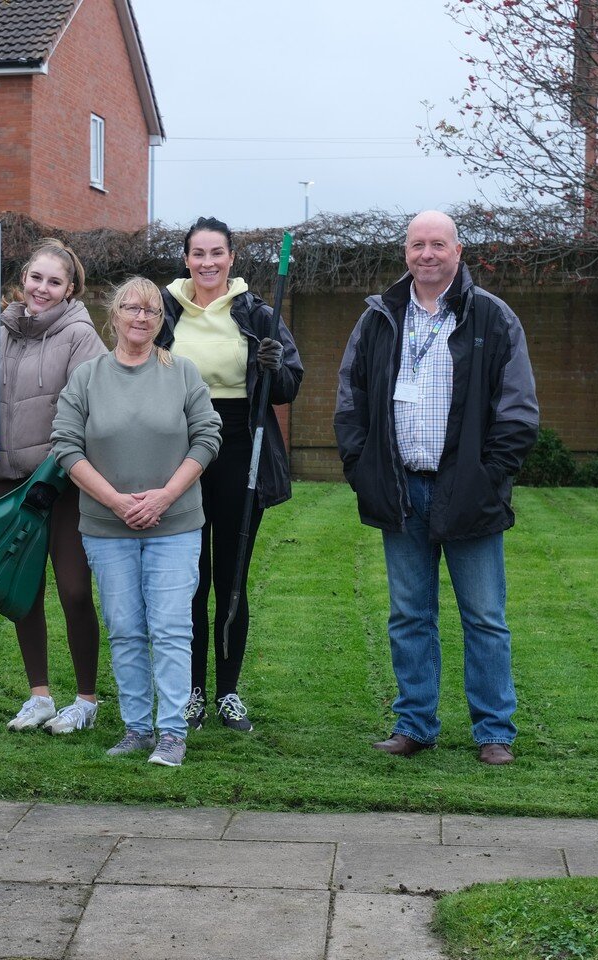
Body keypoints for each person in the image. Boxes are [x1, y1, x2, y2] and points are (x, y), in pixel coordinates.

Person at [334, 210, 539, 766]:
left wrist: (489, 475)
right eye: (417, 244)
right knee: (408, 616)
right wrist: (362, 467)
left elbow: (518, 413)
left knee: (484, 617)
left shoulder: (493, 318)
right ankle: (415, 725)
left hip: (468, 492)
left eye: (438, 245)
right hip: (401, 491)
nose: (427, 254)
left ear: (458, 251)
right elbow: (350, 400)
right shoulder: (378, 318)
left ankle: (494, 730)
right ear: (405, 252)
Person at [51, 277, 221, 767]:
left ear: (161, 320)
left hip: (176, 523)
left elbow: (207, 437)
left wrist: (165, 497)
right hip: (107, 527)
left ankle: (171, 732)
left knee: (169, 627)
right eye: (132, 308)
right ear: (114, 315)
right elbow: (65, 445)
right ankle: (136, 728)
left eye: (151, 310)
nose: (141, 318)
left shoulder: (182, 373)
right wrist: (117, 502)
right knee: (125, 627)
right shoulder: (87, 377)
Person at [160, 217, 304, 733]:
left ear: (231, 258)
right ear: (186, 258)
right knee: (189, 581)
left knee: (232, 578)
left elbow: (289, 384)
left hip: (242, 447)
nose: (207, 263)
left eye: (216, 253)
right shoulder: (164, 311)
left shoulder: (258, 314)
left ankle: (228, 692)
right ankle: (193, 692)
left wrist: (272, 364)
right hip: (181, 451)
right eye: (198, 253)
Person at [0, 238, 107, 735]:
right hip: (5, 479)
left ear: (71, 289)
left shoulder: (80, 336)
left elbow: (87, 410)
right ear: (21, 279)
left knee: (72, 589)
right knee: (22, 591)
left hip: (60, 483)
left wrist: (56, 472)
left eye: (54, 281)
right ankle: (39, 696)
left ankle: (86, 699)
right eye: (36, 278)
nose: (42, 289)